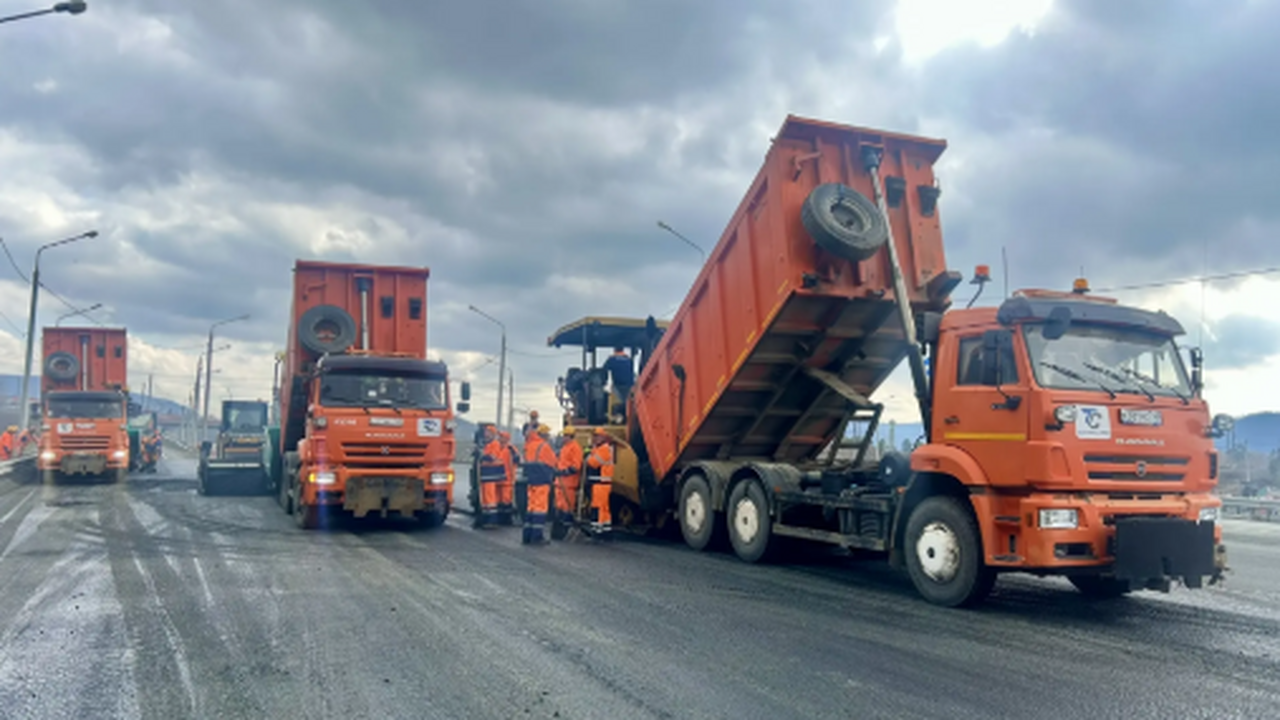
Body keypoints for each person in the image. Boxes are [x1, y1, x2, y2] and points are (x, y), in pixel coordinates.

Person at [521, 424, 557, 545]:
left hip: (531, 480)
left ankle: (527, 535)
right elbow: (553, 462)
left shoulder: (530, 445)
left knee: (531, 508)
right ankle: (537, 536)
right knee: (540, 509)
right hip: (542, 480)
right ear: (545, 435)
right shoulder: (544, 446)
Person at [584, 427, 615, 534]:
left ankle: (597, 529)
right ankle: (606, 529)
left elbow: (593, 463)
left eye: (597, 436)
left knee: (598, 507)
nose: (595, 438)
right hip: (601, 483)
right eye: (594, 436)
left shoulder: (604, 449)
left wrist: (587, 457)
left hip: (600, 483)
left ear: (603, 437)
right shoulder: (599, 448)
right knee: (604, 507)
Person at [477, 426, 506, 527]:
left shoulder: (494, 444)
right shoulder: (487, 444)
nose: (486, 434)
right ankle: (486, 518)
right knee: (485, 498)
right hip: (486, 474)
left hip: (491, 474)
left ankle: (492, 520)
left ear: (493, 434)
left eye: (488, 432)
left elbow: (492, 457)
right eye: (485, 432)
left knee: (490, 498)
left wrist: (481, 456)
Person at [555, 426, 584, 527]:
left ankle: (567, 525)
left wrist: (565, 472)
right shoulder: (564, 447)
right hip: (560, 483)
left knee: (567, 506)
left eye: (565, 436)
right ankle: (560, 525)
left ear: (570, 436)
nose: (563, 438)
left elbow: (576, 466)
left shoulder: (575, 448)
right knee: (560, 505)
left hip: (569, 483)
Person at [602, 347, 634, 418]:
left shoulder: (612, 359)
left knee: (614, 398)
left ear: (614, 350)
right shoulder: (628, 359)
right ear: (623, 350)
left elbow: (603, 370)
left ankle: (612, 414)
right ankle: (627, 415)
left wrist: (604, 381)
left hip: (618, 385)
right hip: (630, 385)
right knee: (628, 401)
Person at [497, 430, 517, 524]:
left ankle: (506, 519)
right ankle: (500, 518)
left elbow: (517, 459)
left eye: (501, 437)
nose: (499, 438)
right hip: (498, 479)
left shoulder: (510, 449)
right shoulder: (498, 448)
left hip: (507, 480)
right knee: (499, 500)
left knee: (506, 500)